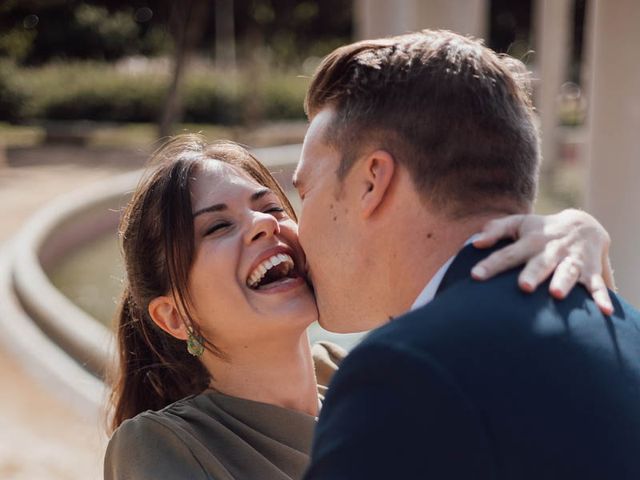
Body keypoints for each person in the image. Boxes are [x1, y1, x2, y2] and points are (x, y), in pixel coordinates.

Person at [104, 134, 614, 480]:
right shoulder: (157, 446)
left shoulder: (372, 381)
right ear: (174, 316)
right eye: (218, 227)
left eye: (272, 207)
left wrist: (567, 234)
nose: (264, 224)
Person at [298, 30, 640, 479]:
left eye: (303, 191)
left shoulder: (404, 375)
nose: (296, 228)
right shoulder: (624, 326)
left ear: (371, 181)